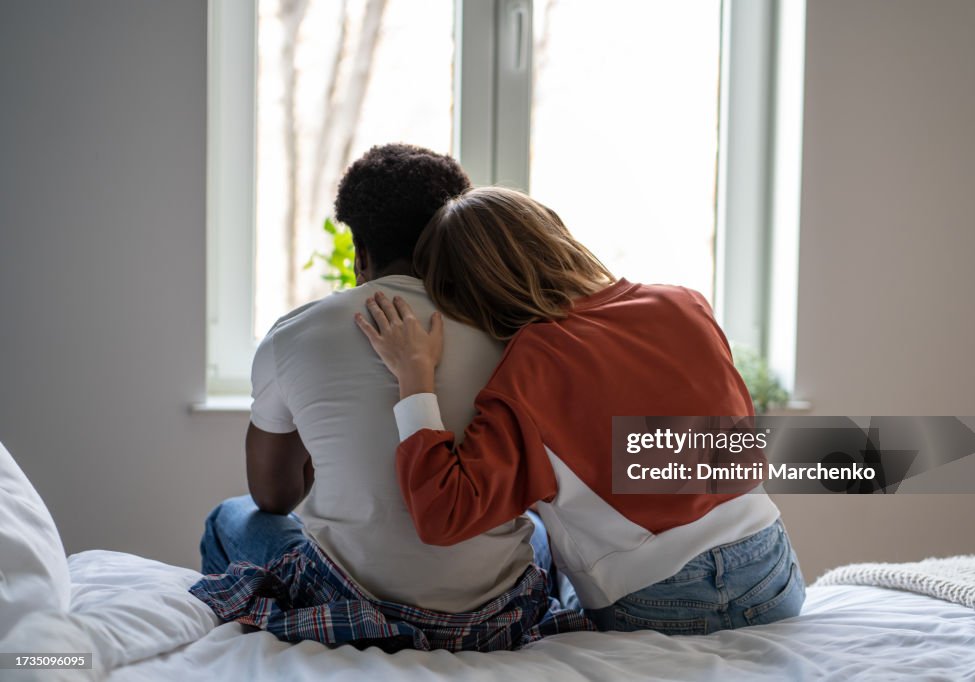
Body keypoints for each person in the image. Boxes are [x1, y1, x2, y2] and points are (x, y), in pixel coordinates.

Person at [355, 185, 806, 635]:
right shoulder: (684, 303)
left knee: (539, 558)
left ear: (464, 298)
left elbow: (445, 514)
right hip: (772, 570)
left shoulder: (529, 369)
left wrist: (414, 376)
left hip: (661, 600)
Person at [198, 145, 548, 623]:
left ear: (361, 253)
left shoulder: (295, 335)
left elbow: (274, 497)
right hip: (495, 608)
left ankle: (233, 650)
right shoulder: (507, 327)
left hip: (351, 600)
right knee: (541, 535)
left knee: (229, 518)